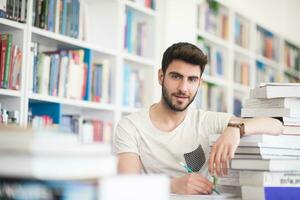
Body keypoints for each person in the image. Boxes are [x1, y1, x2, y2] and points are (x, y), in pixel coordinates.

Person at [113, 42, 283, 195]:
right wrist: (171, 186)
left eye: (192, 79)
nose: (183, 88)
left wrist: (235, 128)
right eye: (176, 76)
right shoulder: (130, 126)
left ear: (199, 83)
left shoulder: (207, 121)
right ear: (161, 76)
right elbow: (127, 184)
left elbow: (277, 125)